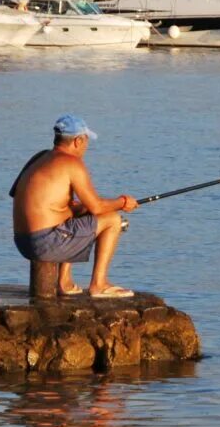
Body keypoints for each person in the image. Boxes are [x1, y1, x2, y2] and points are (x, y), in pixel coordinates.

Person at [10, 114, 138, 298]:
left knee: (80, 210)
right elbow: (97, 207)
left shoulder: (39, 157)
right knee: (113, 220)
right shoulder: (72, 163)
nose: (87, 146)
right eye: (86, 141)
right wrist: (123, 202)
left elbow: (18, 194)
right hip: (45, 243)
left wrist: (74, 208)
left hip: (23, 241)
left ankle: (64, 281)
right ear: (78, 141)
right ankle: (99, 285)